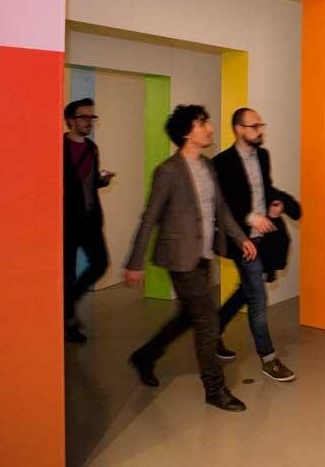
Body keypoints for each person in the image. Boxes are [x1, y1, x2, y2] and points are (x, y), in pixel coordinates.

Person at [124, 105, 256, 412]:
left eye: (207, 122)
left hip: (204, 254)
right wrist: (135, 262)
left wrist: (241, 238)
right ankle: (215, 389)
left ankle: (145, 355)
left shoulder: (208, 166)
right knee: (208, 323)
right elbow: (150, 217)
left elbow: (221, 209)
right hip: (180, 257)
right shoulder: (168, 171)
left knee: (189, 316)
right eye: (202, 123)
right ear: (186, 132)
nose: (209, 128)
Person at [212, 108, 300, 382]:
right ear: (239, 129)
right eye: (254, 126)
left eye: (261, 125)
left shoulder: (262, 156)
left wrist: (279, 204)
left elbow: (265, 189)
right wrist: (251, 217)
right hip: (243, 240)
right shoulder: (222, 162)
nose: (260, 130)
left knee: (247, 291)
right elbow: (223, 205)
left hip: (265, 239)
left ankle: (211, 330)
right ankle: (269, 359)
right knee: (258, 300)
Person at [63, 98, 114, 343]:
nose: (89, 121)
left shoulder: (92, 148)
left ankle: (68, 301)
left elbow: (89, 183)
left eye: (92, 117)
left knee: (100, 263)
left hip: (91, 218)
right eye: (84, 117)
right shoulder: (58, 147)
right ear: (70, 120)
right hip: (66, 222)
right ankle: (69, 321)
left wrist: (102, 180)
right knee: (67, 273)